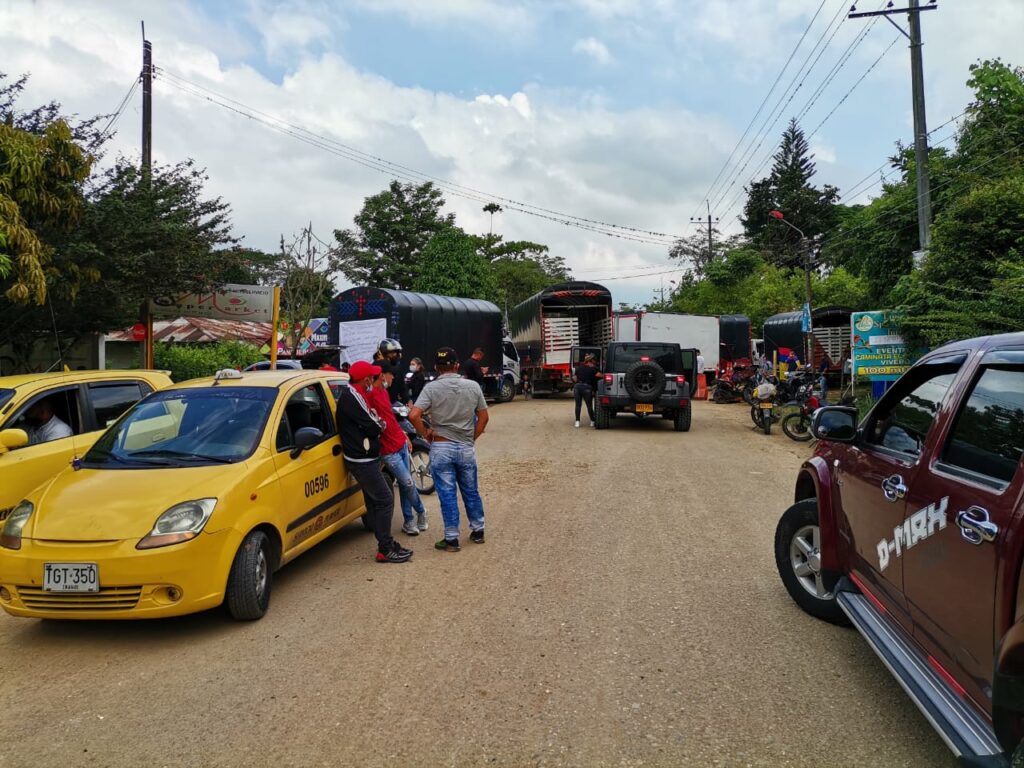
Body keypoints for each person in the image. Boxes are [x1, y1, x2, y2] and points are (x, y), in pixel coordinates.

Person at [409, 347, 488, 552]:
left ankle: (452, 539)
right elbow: (484, 417)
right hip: (465, 447)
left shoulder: (431, 388)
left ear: (436, 367)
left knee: (447, 494)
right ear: (457, 365)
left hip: (441, 446)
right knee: (471, 490)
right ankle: (478, 531)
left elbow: (414, 415)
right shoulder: (472, 387)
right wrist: (471, 438)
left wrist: (425, 433)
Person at [336, 360, 412, 564]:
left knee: (374, 500)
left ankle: (385, 543)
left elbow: (374, 421)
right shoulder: (353, 396)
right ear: (365, 378)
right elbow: (374, 426)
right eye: (371, 376)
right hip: (361, 459)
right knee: (385, 499)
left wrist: (378, 422)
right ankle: (385, 549)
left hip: (364, 456)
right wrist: (379, 423)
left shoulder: (355, 394)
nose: (373, 379)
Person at [372, 361, 429, 536]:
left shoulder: (383, 393)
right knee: (408, 482)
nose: (393, 378)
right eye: (391, 375)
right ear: (382, 375)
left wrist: (404, 436)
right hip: (388, 450)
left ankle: (409, 521)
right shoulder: (370, 396)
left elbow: (391, 419)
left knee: (406, 486)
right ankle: (421, 511)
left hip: (400, 443)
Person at [375, 339, 409, 405]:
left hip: (393, 405)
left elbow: (403, 388)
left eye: (396, 352)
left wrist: (407, 400)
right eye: (391, 352)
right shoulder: (375, 367)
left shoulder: (398, 369)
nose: (395, 355)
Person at [572, 353, 600, 428]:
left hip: (577, 387)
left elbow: (574, 378)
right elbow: (598, 378)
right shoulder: (592, 370)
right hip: (587, 388)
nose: (593, 364)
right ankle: (592, 421)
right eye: (593, 362)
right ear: (590, 362)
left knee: (578, 405)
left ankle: (577, 422)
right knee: (589, 406)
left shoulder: (579, 368)